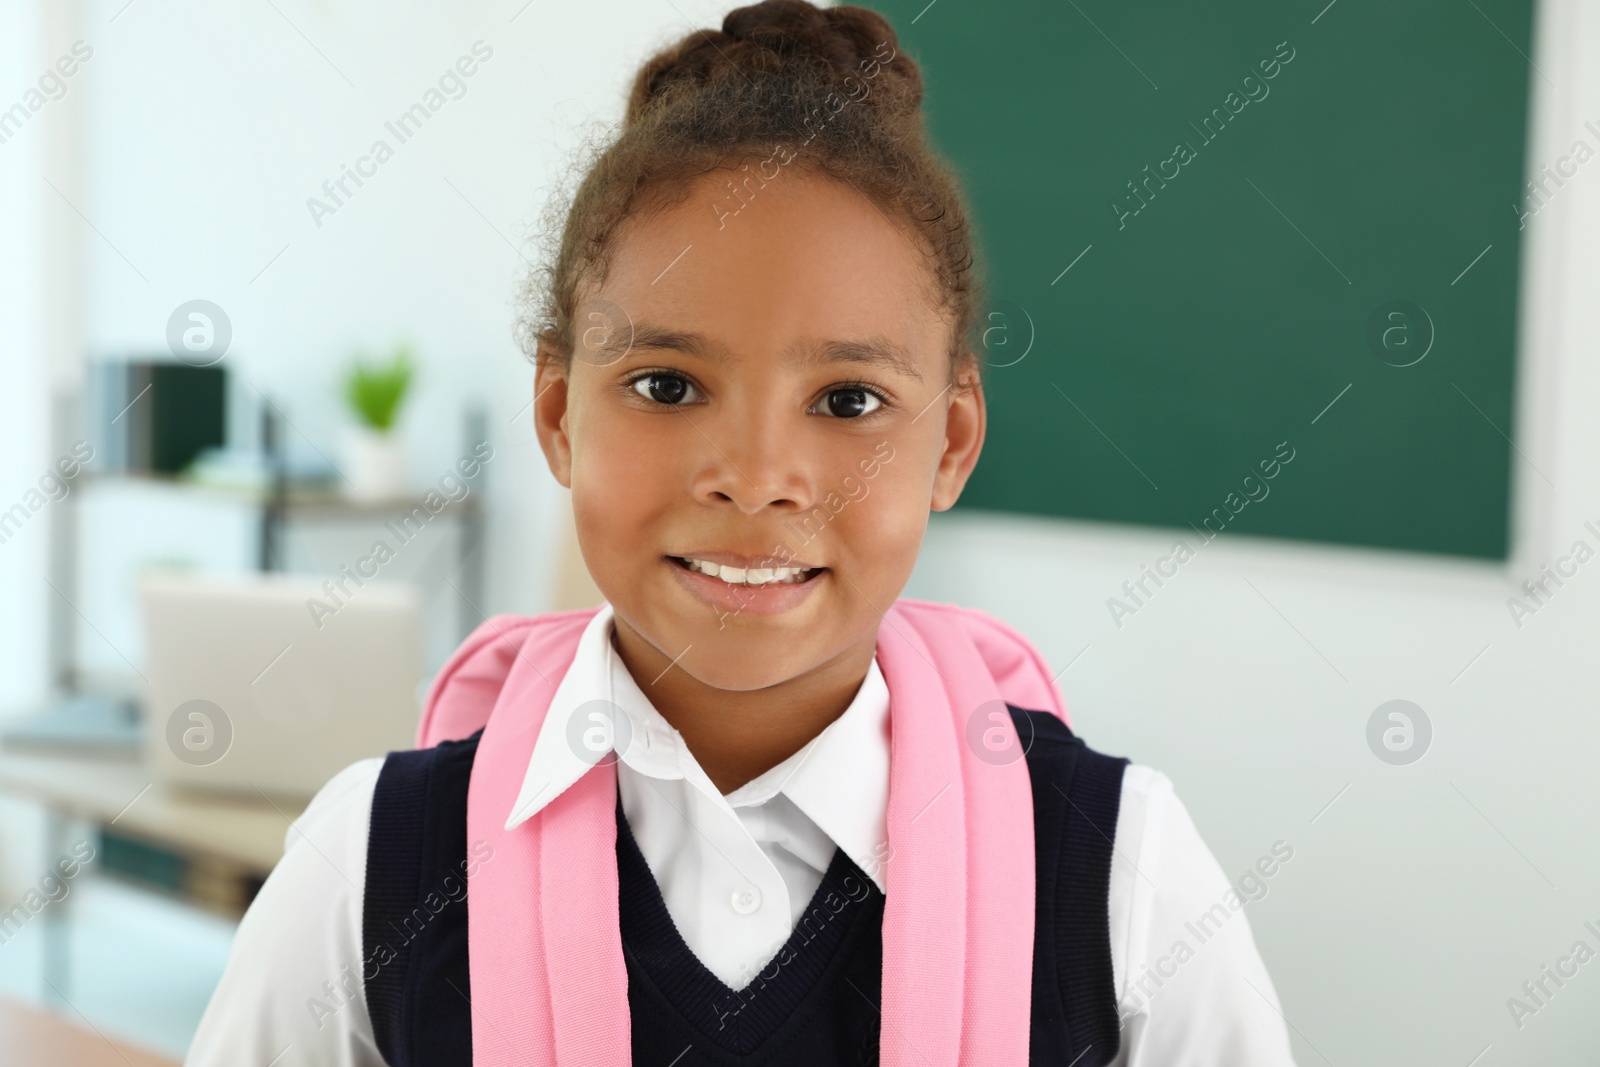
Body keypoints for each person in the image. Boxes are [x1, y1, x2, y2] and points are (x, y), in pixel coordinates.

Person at [186, 2, 1297, 1063]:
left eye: (849, 399)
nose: (759, 479)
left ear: (951, 442)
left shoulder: (1126, 869)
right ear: (560, 414)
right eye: (667, 385)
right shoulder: (371, 859)